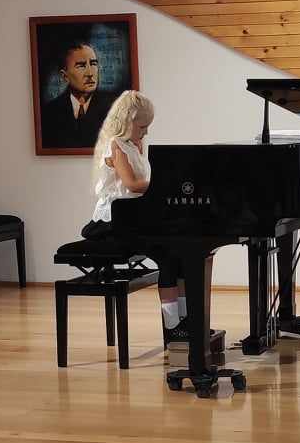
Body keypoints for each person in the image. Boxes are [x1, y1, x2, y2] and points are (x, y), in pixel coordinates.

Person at [82, 91, 223, 351]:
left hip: (131, 215)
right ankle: (173, 326)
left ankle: (188, 321)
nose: (146, 132)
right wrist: (167, 186)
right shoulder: (116, 145)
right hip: (111, 221)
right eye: (142, 127)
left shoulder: (135, 144)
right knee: (167, 256)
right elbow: (132, 184)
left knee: (181, 255)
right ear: (127, 121)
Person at [41, 42, 115, 149]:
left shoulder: (115, 108)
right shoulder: (50, 113)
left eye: (93, 64)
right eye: (81, 66)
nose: (90, 73)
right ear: (65, 76)